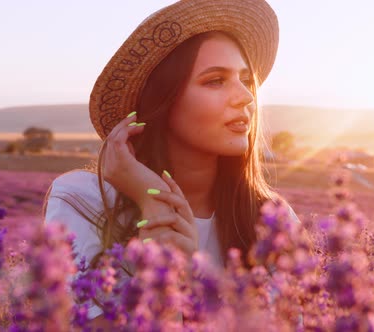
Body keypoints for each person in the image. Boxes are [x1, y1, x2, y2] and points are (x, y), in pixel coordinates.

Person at [42, 0, 301, 326]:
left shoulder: (273, 218)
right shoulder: (82, 199)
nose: (246, 97)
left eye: (246, 81)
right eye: (215, 81)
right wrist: (151, 203)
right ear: (163, 100)